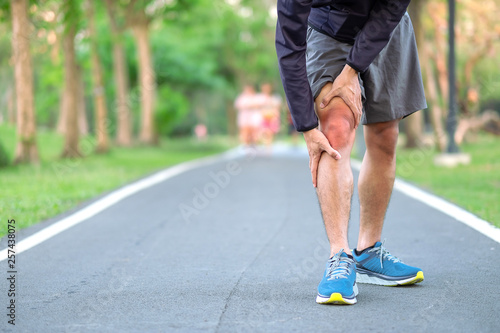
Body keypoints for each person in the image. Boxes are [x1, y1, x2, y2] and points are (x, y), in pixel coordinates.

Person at [276, 0, 427, 305]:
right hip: (329, 29)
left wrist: (353, 69)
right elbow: (290, 43)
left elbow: (391, 7)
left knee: (386, 135)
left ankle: (368, 251)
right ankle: (339, 256)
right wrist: (307, 127)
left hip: (387, 26)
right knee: (335, 130)